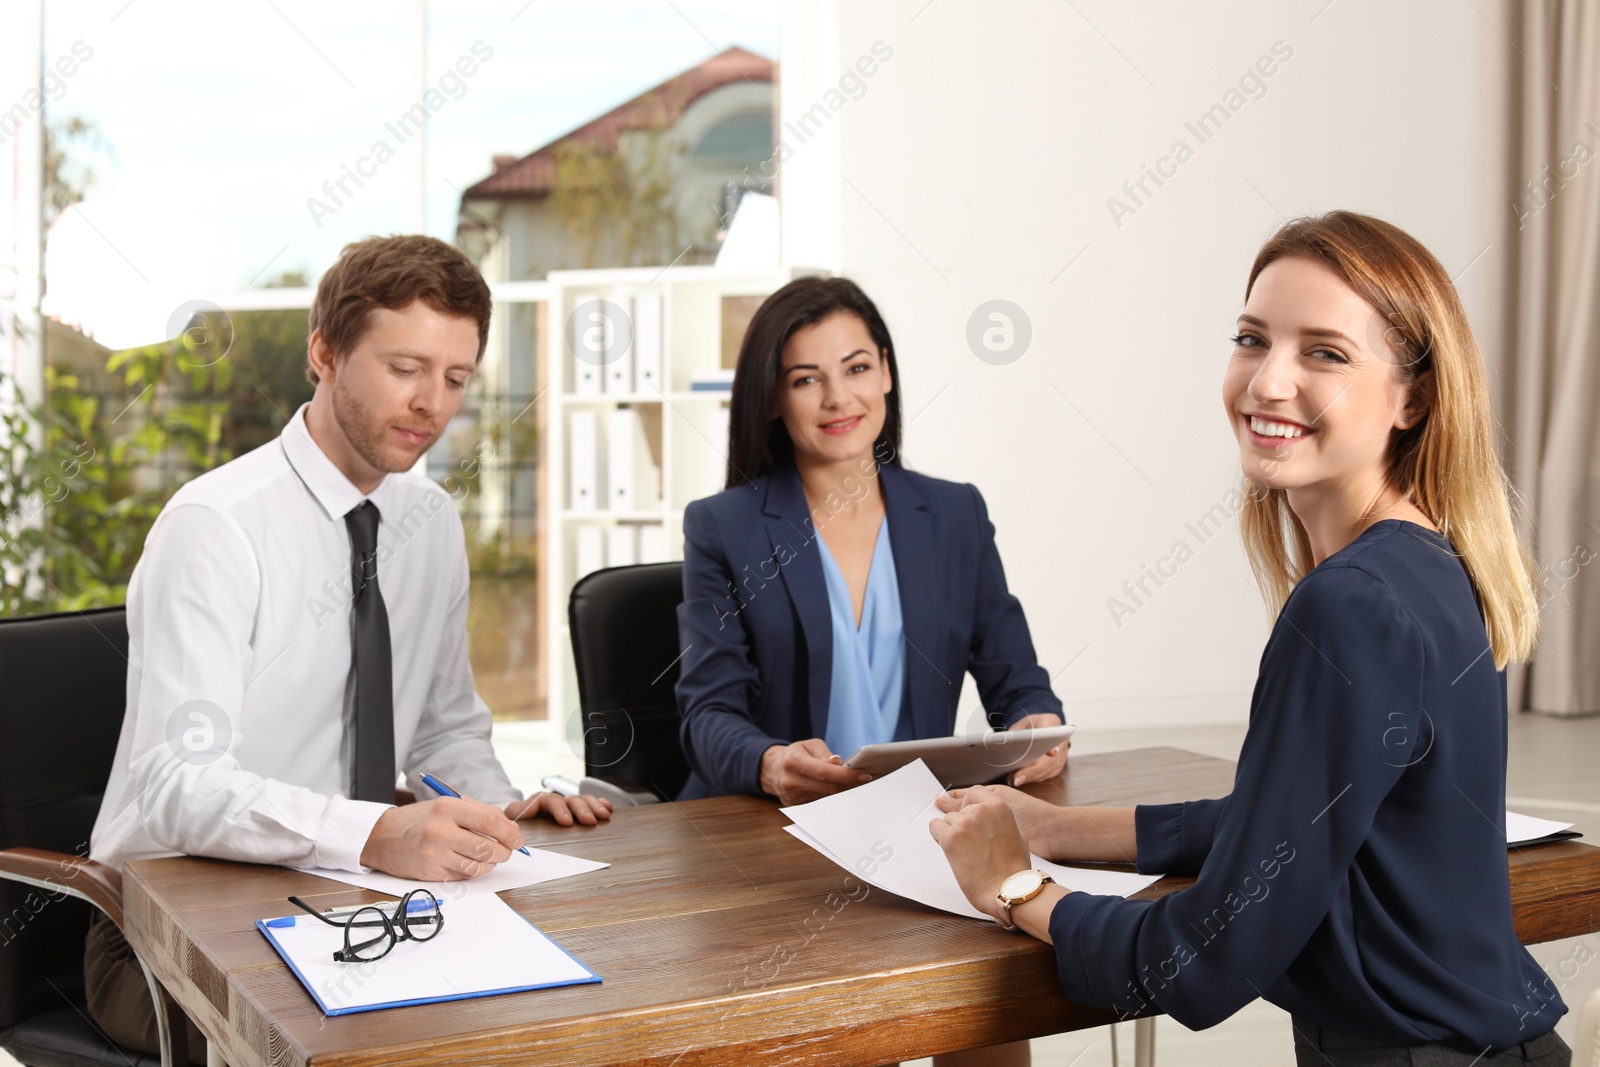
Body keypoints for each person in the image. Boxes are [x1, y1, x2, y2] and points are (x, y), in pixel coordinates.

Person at [932, 211, 1572, 1065]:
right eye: (1252, 338)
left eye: (1325, 352)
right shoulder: (1433, 565)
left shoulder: (1348, 605)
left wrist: (1012, 884)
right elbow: (1284, 820)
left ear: (1412, 396)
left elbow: (1202, 959)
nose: (1269, 382)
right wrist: (1051, 827)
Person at [86, 235, 611, 1062]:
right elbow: (176, 786)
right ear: (324, 352)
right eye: (405, 367)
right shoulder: (216, 528)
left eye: (456, 378)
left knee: (565, 1011)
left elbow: (444, 729)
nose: (431, 403)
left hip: (351, 899)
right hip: (163, 934)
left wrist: (498, 811)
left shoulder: (429, 521)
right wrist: (371, 834)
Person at [676, 276, 1066, 1067]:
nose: (836, 397)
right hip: (782, 844)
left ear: (885, 371)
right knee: (857, 1029)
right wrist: (770, 760)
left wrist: (1033, 724)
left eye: (855, 367)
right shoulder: (723, 527)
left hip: (919, 824)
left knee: (994, 997)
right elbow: (706, 713)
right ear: (774, 399)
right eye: (804, 378)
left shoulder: (952, 513)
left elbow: (1014, 671)